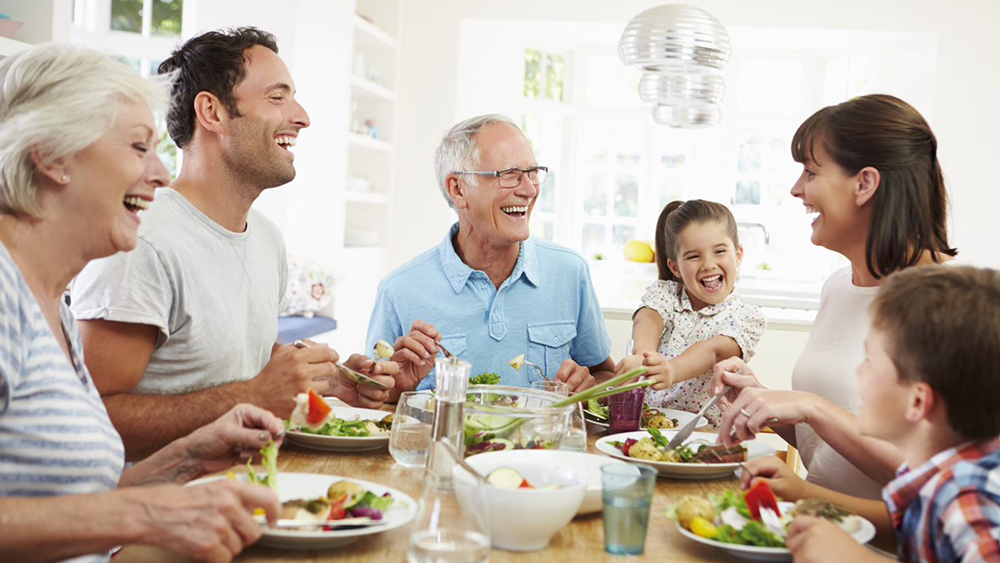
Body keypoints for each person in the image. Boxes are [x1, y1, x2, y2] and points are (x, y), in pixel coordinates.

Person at [0, 43, 282, 563]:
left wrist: (186, 459)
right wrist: (151, 515)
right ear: (52, 156)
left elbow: (70, 508)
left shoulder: (51, 304)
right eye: (137, 147)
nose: (160, 173)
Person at [69, 27, 396, 459]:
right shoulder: (141, 240)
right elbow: (93, 417)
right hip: (161, 508)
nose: (302, 116)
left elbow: (234, 365)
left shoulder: (266, 239)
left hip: (246, 491)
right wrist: (257, 394)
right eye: (277, 98)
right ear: (213, 112)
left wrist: (329, 383)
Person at [711, 94, 957, 501]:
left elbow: (936, 483)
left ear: (864, 183)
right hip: (817, 536)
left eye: (810, 172)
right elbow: (827, 449)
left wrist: (812, 407)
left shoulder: (950, 305)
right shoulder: (839, 286)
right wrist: (766, 401)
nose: (795, 189)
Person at [366, 114, 615, 399]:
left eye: (532, 172)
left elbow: (605, 375)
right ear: (458, 189)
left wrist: (591, 387)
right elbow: (372, 404)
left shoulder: (570, 272)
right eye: (509, 175)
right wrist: (396, 391)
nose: (529, 189)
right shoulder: (399, 290)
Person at [783, 265, 1000, 563]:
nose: (858, 372)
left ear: (917, 402)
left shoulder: (967, 494)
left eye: (869, 361)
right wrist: (806, 499)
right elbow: (907, 532)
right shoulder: (931, 476)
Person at [614, 200, 765, 427]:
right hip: (647, 428)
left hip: (705, 437)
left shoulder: (746, 317)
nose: (708, 264)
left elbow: (713, 351)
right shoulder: (667, 293)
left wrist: (671, 370)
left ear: (738, 255)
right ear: (675, 267)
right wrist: (643, 357)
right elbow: (648, 318)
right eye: (694, 256)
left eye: (720, 251)